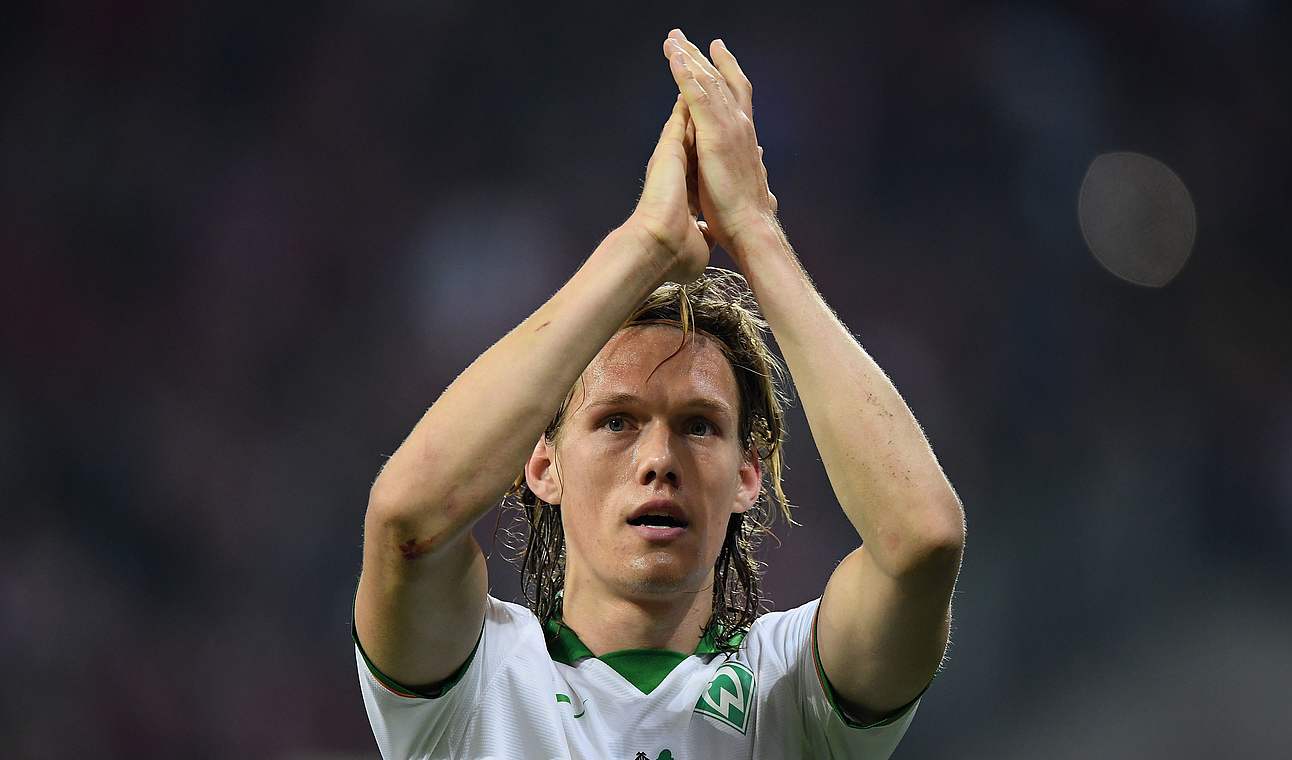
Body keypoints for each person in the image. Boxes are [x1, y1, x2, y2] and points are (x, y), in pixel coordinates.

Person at [354, 28, 966, 759]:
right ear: (542, 464)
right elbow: (409, 522)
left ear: (748, 475)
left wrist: (756, 231)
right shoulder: (476, 683)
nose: (659, 461)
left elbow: (921, 541)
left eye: (699, 426)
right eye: (617, 421)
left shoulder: (795, 689)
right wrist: (643, 243)